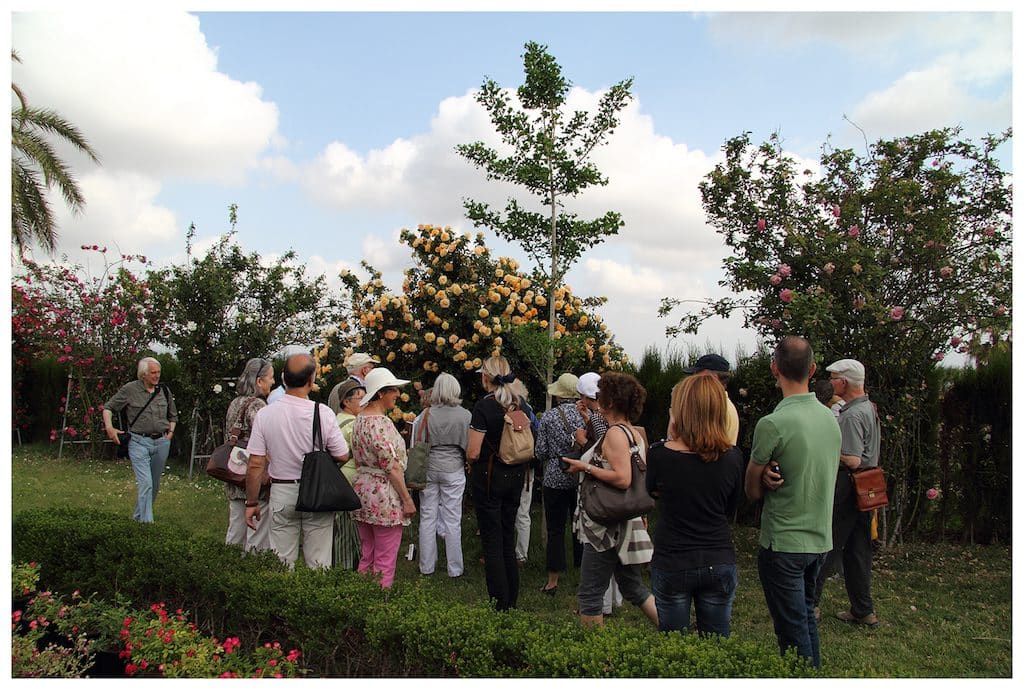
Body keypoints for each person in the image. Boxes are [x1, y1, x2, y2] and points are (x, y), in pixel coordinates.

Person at [745, 336, 840, 668]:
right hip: (820, 540)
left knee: (792, 630)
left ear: (775, 369)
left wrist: (762, 475)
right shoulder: (830, 419)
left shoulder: (772, 423)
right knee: (806, 618)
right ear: (813, 370)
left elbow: (752, 491)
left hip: (783, 543)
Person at [646, 374, 744, 637]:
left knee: (675, 649)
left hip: (673, 559)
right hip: (718, 555)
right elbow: (730, 508)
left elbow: (651, 492)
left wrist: (671, 433)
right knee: (716, 649)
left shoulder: (659, 455)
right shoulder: (733, 458)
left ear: (680, 409)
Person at [562, 371, 659, 628]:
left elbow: (623, 478)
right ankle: (674, 629)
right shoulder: (633, 433)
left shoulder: (615, 434)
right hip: (623, 518)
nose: (597, 398)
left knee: (590, 594)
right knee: (633, 586)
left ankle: (596, 658)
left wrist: (586, 468)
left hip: (606, 525)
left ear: (611, 401)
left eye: (601, 394)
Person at [243, 353, 349, 569]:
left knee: (281, 560)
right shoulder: (324, 413)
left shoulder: (266, 414)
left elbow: (255, 463)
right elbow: (342, 454)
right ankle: (316, 601)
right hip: (317, 490)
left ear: (283, 378)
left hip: (281, 491)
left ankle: (283, 599)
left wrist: (252, 502)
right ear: (312, 380)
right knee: (319, 561)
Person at [813, 359, 881, 627]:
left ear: (843, 382)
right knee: (858, 549)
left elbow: (852, 459)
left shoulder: (852, 415)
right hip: (868, 486)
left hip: (849, 486)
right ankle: (863, 610)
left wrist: (824, 447)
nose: (829, 383)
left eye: (832, 378)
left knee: (827, 545)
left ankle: (811, 604)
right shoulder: (868, 407)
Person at [466, 355, 533, 611]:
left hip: (490, 477)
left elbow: (473, 452)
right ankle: (512, 600)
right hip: (515, 476)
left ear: (486, 377)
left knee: (492, 542)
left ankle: (498, 604)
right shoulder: (521, 406)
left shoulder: (484, 408)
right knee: (507, 536)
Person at [350, 367, 417, 588]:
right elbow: (392, 467)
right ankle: (379, 606)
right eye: (393, 390)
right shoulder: (381, 423)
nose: (397, 395)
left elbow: (358, 459)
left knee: (367, 553)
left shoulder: (359, 419)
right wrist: (407, 500)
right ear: (380, 393)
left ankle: (361, 599)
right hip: (384, 494)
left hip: (363, 489)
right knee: (385, 559)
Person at [102, 357, 177, 523]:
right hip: (138, 442)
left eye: (158, 372)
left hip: (162, 442)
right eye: (153, 373)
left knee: (154, 485)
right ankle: (147, 524)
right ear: (143, 374)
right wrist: (110, 428)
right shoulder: (130, 389)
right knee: (146, 484)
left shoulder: (164, 390)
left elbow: (173, 415)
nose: (156, 376)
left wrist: (170, 433)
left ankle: (137, 518)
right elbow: (108, 408)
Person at [535, 372, 585, 595]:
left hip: (555, 476)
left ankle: (553, 581)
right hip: (581, 475)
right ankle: (582, 570)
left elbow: (540, 452)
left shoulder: (548, 417)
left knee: (555, 529)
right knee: (581, 525)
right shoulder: (587, 415)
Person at [418, 373, 472, 578]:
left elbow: (417, 442)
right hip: (454, 467)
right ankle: (455, 568)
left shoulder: (425, 415)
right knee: (452, 518)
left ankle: (426, 566)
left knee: (427, 516)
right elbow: (470, 447)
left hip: (430, 467)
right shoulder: (465, 415)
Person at [222, 358, 274, 552]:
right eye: (270, 377)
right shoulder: (257, 406)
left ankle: (230, 568)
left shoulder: (235, 402)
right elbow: (266, 440)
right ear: (259, 381)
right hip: (253, 478)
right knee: (258, 534)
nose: (273, 382)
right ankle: (253, 572)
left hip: (234, 474)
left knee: (236, 532)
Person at [329, 378, 365, 570]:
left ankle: (342, 567)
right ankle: (347, 569)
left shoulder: (335, 420)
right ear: (346, 401)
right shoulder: (353, 425)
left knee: (341, 527)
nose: (363, 401)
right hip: (349, 482)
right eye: (359, 397)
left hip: (337, 480)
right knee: (349, 529)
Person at [668, 354, 739, 445]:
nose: (692, 380)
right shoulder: (724, 404)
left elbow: (700, 447)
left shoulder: (715, 406)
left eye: (696, 375)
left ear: (712, 377)